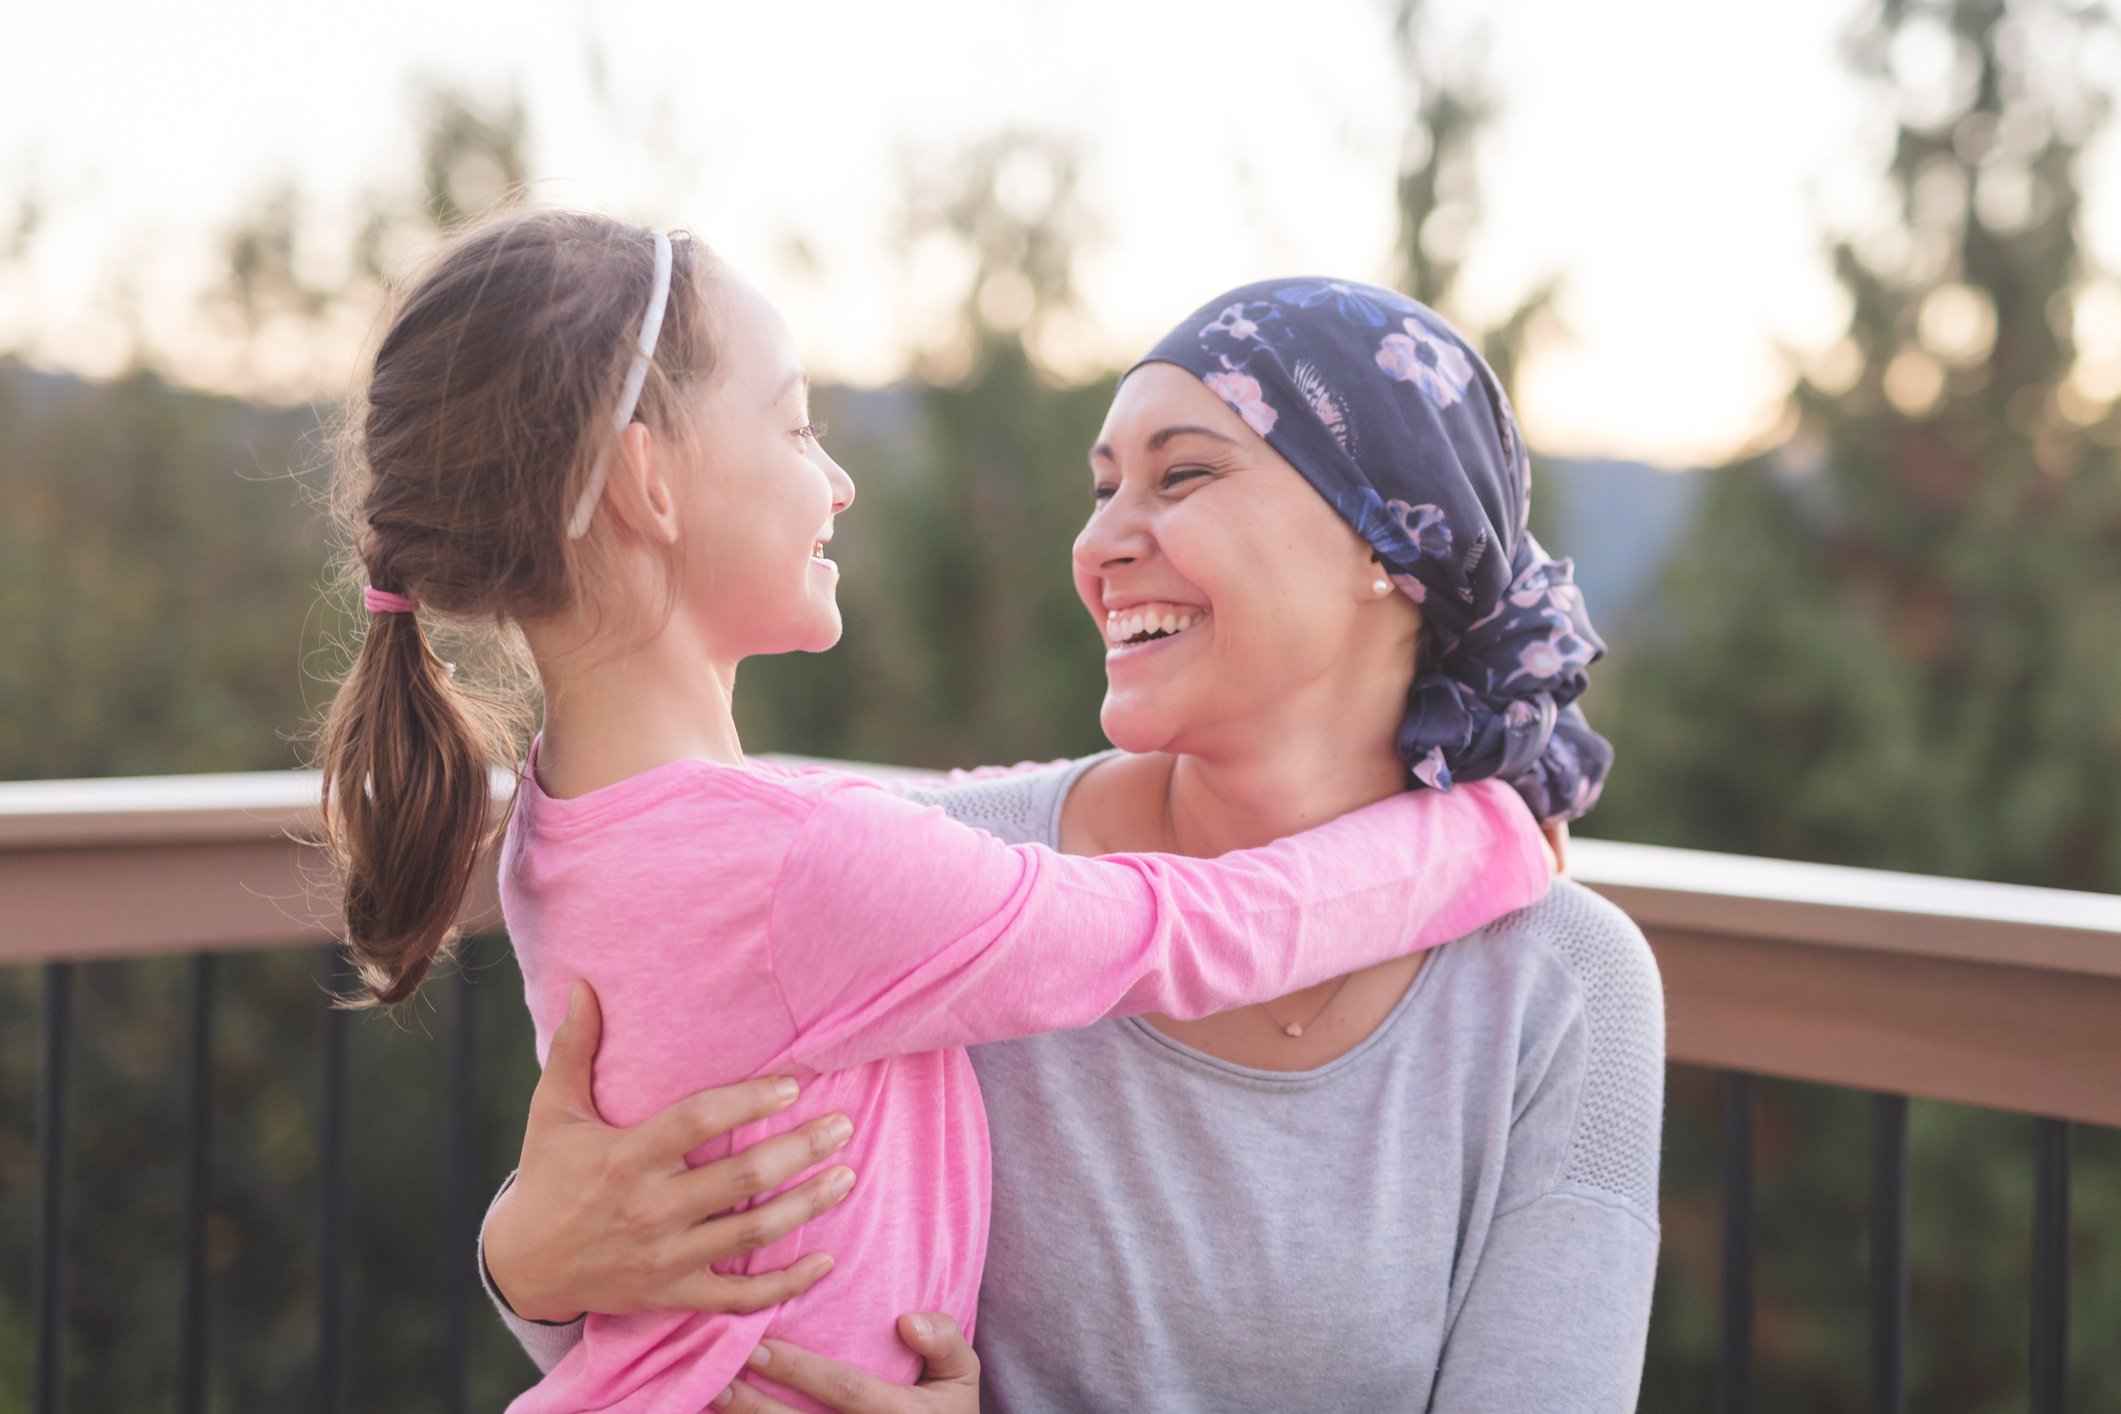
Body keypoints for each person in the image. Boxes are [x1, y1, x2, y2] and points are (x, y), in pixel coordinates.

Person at [314, 214, 1560, 1414]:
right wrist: (1493, 830)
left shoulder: (573, 824)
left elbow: (867, 840)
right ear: (648, 479)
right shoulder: (811, 868)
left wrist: (522, 1256)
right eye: (799, 429)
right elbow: (1191, 925)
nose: (841, 480)